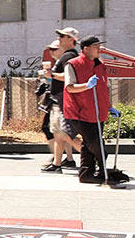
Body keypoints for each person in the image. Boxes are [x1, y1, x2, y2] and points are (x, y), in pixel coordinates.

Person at [63, 35, 116, 184]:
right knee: (96, 144)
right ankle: (103, 171)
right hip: (80, 112)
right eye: (96, 47)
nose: (99, 49)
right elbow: (69, 87)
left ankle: (86, 174)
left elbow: (103, 89)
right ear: (86, 49)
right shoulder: (73, 64)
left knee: (88, 144)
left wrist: (109, 106)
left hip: (98, 112)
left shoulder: (100, 64)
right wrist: (86, 85)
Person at [42, 27, 82, 173]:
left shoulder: (69, 57)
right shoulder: (67, 56)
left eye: (62, 36)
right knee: (58, 134)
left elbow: (69, 77)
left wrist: (51, 75)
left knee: (66, 134)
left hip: (63, 100)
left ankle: (94, 159)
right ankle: (57, 164)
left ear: (71, 39)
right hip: (58, 100)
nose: (59, 38)